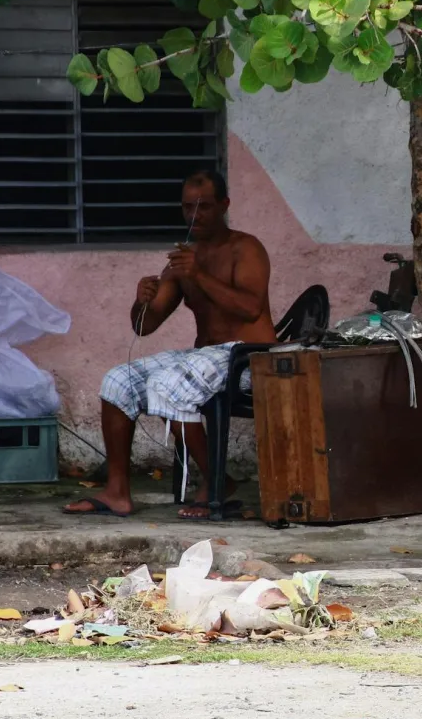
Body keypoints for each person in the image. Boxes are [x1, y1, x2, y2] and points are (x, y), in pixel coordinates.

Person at [63, 170, 277, 520]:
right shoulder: (183, 261)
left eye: (205, 207)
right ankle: (117, 491)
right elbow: (145, 326)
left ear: (224, 205)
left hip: (249, 358)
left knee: (168, 385)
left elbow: (251, 308)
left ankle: (217, 482)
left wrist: (199, 275)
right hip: (204, 358)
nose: (195, 216)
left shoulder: (246, 248)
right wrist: (140, 300)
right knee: (119, 380)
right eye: (188, 207)